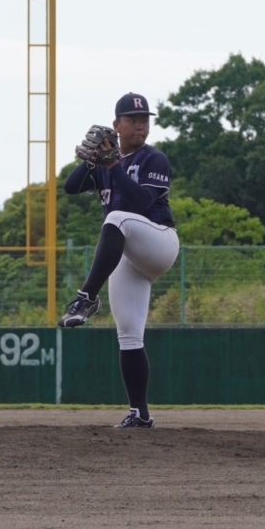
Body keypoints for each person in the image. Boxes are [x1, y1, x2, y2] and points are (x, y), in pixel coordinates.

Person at [59, 93, 179, 429]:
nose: (140, 125)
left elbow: (140, 202)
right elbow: (70, 187)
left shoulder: (154, 158)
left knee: (116, 218)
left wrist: (113, 165)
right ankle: (140, 413)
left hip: (159, 241)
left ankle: (86, 298)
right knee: (128, 334)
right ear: (117, 125)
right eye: (132, 119)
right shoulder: (106, 164)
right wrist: (92, 161)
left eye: (144, 120)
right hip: (128, 254)